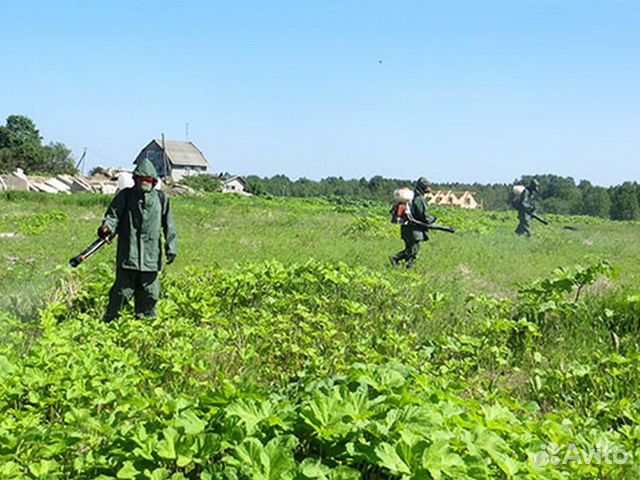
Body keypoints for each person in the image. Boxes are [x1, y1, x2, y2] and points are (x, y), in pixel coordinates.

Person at [98, 159, 177, 322]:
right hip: (128, 256)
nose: (144, 182)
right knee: (121, 294)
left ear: (154, 181)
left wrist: (171, 248)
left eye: (148, 180)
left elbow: (169, 225)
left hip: (150, 258)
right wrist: (107, 228)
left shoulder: (161, 199)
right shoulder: (125, 196)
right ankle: (111, 324)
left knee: (150, 295)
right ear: (135, 180)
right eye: (141, 179)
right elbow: (112, 217)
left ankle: (145, 325)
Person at [390, 177, 433, 269]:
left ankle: (409, 268)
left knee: (410, 250)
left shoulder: (412, 197)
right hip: (414, 230)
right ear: (423, 187)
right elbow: (422, 215)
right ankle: (396, 258)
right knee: (413, 251)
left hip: (407, 228)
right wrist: (431, 219)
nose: (429, 188)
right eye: (427, 186)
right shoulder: (419, 199)